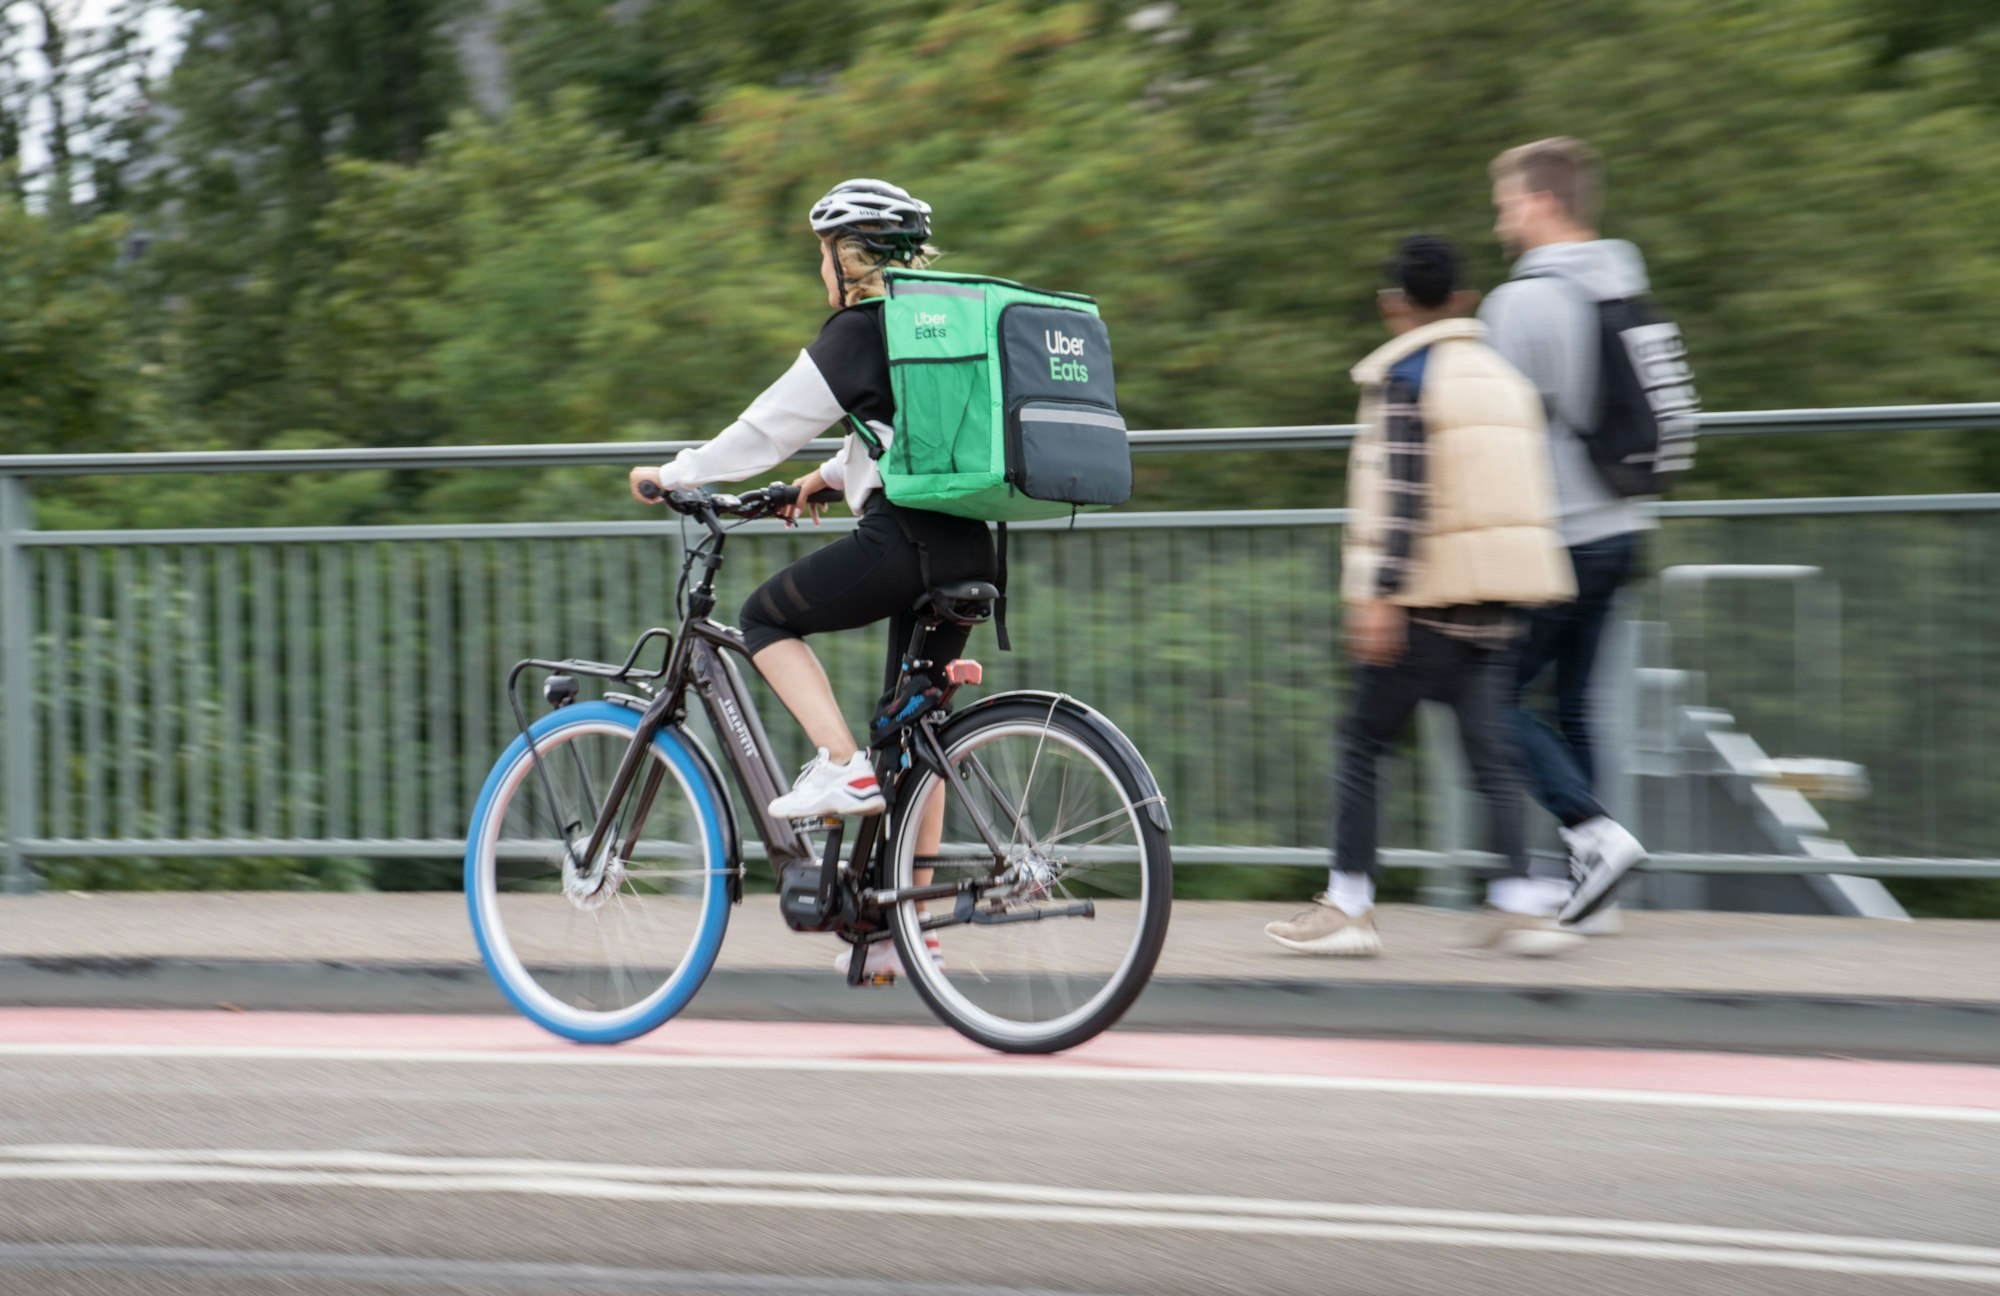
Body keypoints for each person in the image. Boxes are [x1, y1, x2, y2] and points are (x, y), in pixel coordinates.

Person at [627, 178, 995, 979]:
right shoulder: (930, 330)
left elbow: (764, 429)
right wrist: (826, 479)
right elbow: (905, 433)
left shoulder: (859, 330)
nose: (819, 273)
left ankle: (839, 764)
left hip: (904, 543)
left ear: (849, 256)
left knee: (765, 619)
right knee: (912, 729)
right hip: (970, 545)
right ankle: (907, 930)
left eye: (823, 256)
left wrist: (675, 473)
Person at [1265, 236, 1581, 958]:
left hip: (1425, 606)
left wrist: (1381, 595)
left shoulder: (1407, 375)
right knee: (1491, 751)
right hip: (1497, 604)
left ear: (1393, 304)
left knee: (1360, 743)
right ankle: (1523, 900)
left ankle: (1348, 905)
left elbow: (1401, 493)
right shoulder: (1503, 378)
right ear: (1466, 300)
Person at [1480, 137, 1650, 923]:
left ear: (1543, 203)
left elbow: (1494, 432)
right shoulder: (1623, 280)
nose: (1500, 219)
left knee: (1491, 696)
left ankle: (1593, 833)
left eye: (1507, 202)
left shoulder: (1525, 300)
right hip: (1622, 524)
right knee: (1577, 703)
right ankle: (1596, 884)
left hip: (1558, 536)